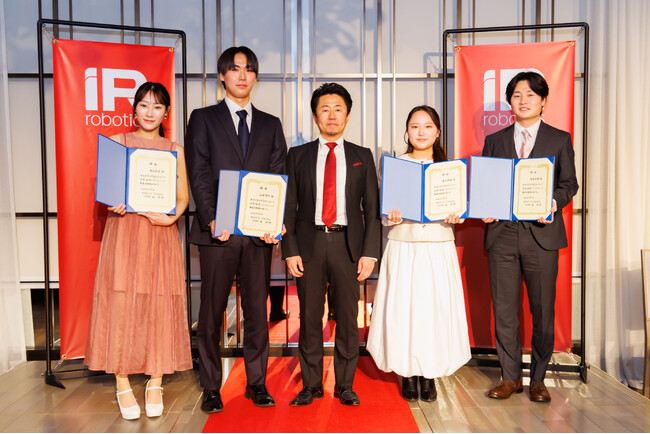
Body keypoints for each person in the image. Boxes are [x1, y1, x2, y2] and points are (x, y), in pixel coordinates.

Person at [185, 46, 287, 413]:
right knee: (212, 312)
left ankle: (257, 383)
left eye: (248, 69)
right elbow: (198, 169)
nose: (242, 75)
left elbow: (277, 175)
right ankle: (211, 385)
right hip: (218, 233)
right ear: (222, 76)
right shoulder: (203, 118)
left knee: (257, 312)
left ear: (255, 77)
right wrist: (212, 217)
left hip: (258, 236)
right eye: (234, 68)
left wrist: (273, 220)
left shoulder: (271, 124)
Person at [85, 82, 192, 420]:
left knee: (159, 303)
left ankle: (155, 380)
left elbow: (183, 198)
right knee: (121, 301)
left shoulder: (175, 149)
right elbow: (108, 189)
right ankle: (121, 381)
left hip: (160, 233)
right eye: (144, 105)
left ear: (166, 113)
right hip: (125, 231)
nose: (150, 112)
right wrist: (113, 202)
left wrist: (170, 217)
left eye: (157, 107)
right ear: (134, 109)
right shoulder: (118, 142)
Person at [482, 71, 578, 402]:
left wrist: (553, 202)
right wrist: (485, 205)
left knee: (542, 311)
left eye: (531, 95)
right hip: (502, 235)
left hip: (542, 235)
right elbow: (487, 183)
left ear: (543, 101)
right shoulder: (495, 140)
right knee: (505, 312)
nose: (523, 100)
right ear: (510, 102)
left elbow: (569, 184)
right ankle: (510, 378)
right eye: (517, 95)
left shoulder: (559, 139)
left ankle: (538, 378)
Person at [282, 82, 380, 406]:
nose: (332, 115)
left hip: (347, 246)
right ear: (315, 116)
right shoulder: (297, 156)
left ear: (347, 115)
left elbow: (372, 210)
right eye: (325, 109)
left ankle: (344, 385)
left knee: (349, 320)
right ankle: (311, 385)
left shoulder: (362, 156)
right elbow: (288, 207)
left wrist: (369, 253)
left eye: (338, 109)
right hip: (309, 245)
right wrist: (290, 249)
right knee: (310, 319)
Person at [367, 105, 471, 402]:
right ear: (407, 132)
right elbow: (382, 212)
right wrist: (391, 216)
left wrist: (457, 215)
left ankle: (429, 374)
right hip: (404, 246)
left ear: (437, 132)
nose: (421, 132)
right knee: (404, 310)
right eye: (415, 126)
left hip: (437, 248)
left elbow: (461, 209)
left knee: (433, 311)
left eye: (428, 126)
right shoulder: (396, 166)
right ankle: (407, 373)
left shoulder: (450, 169)